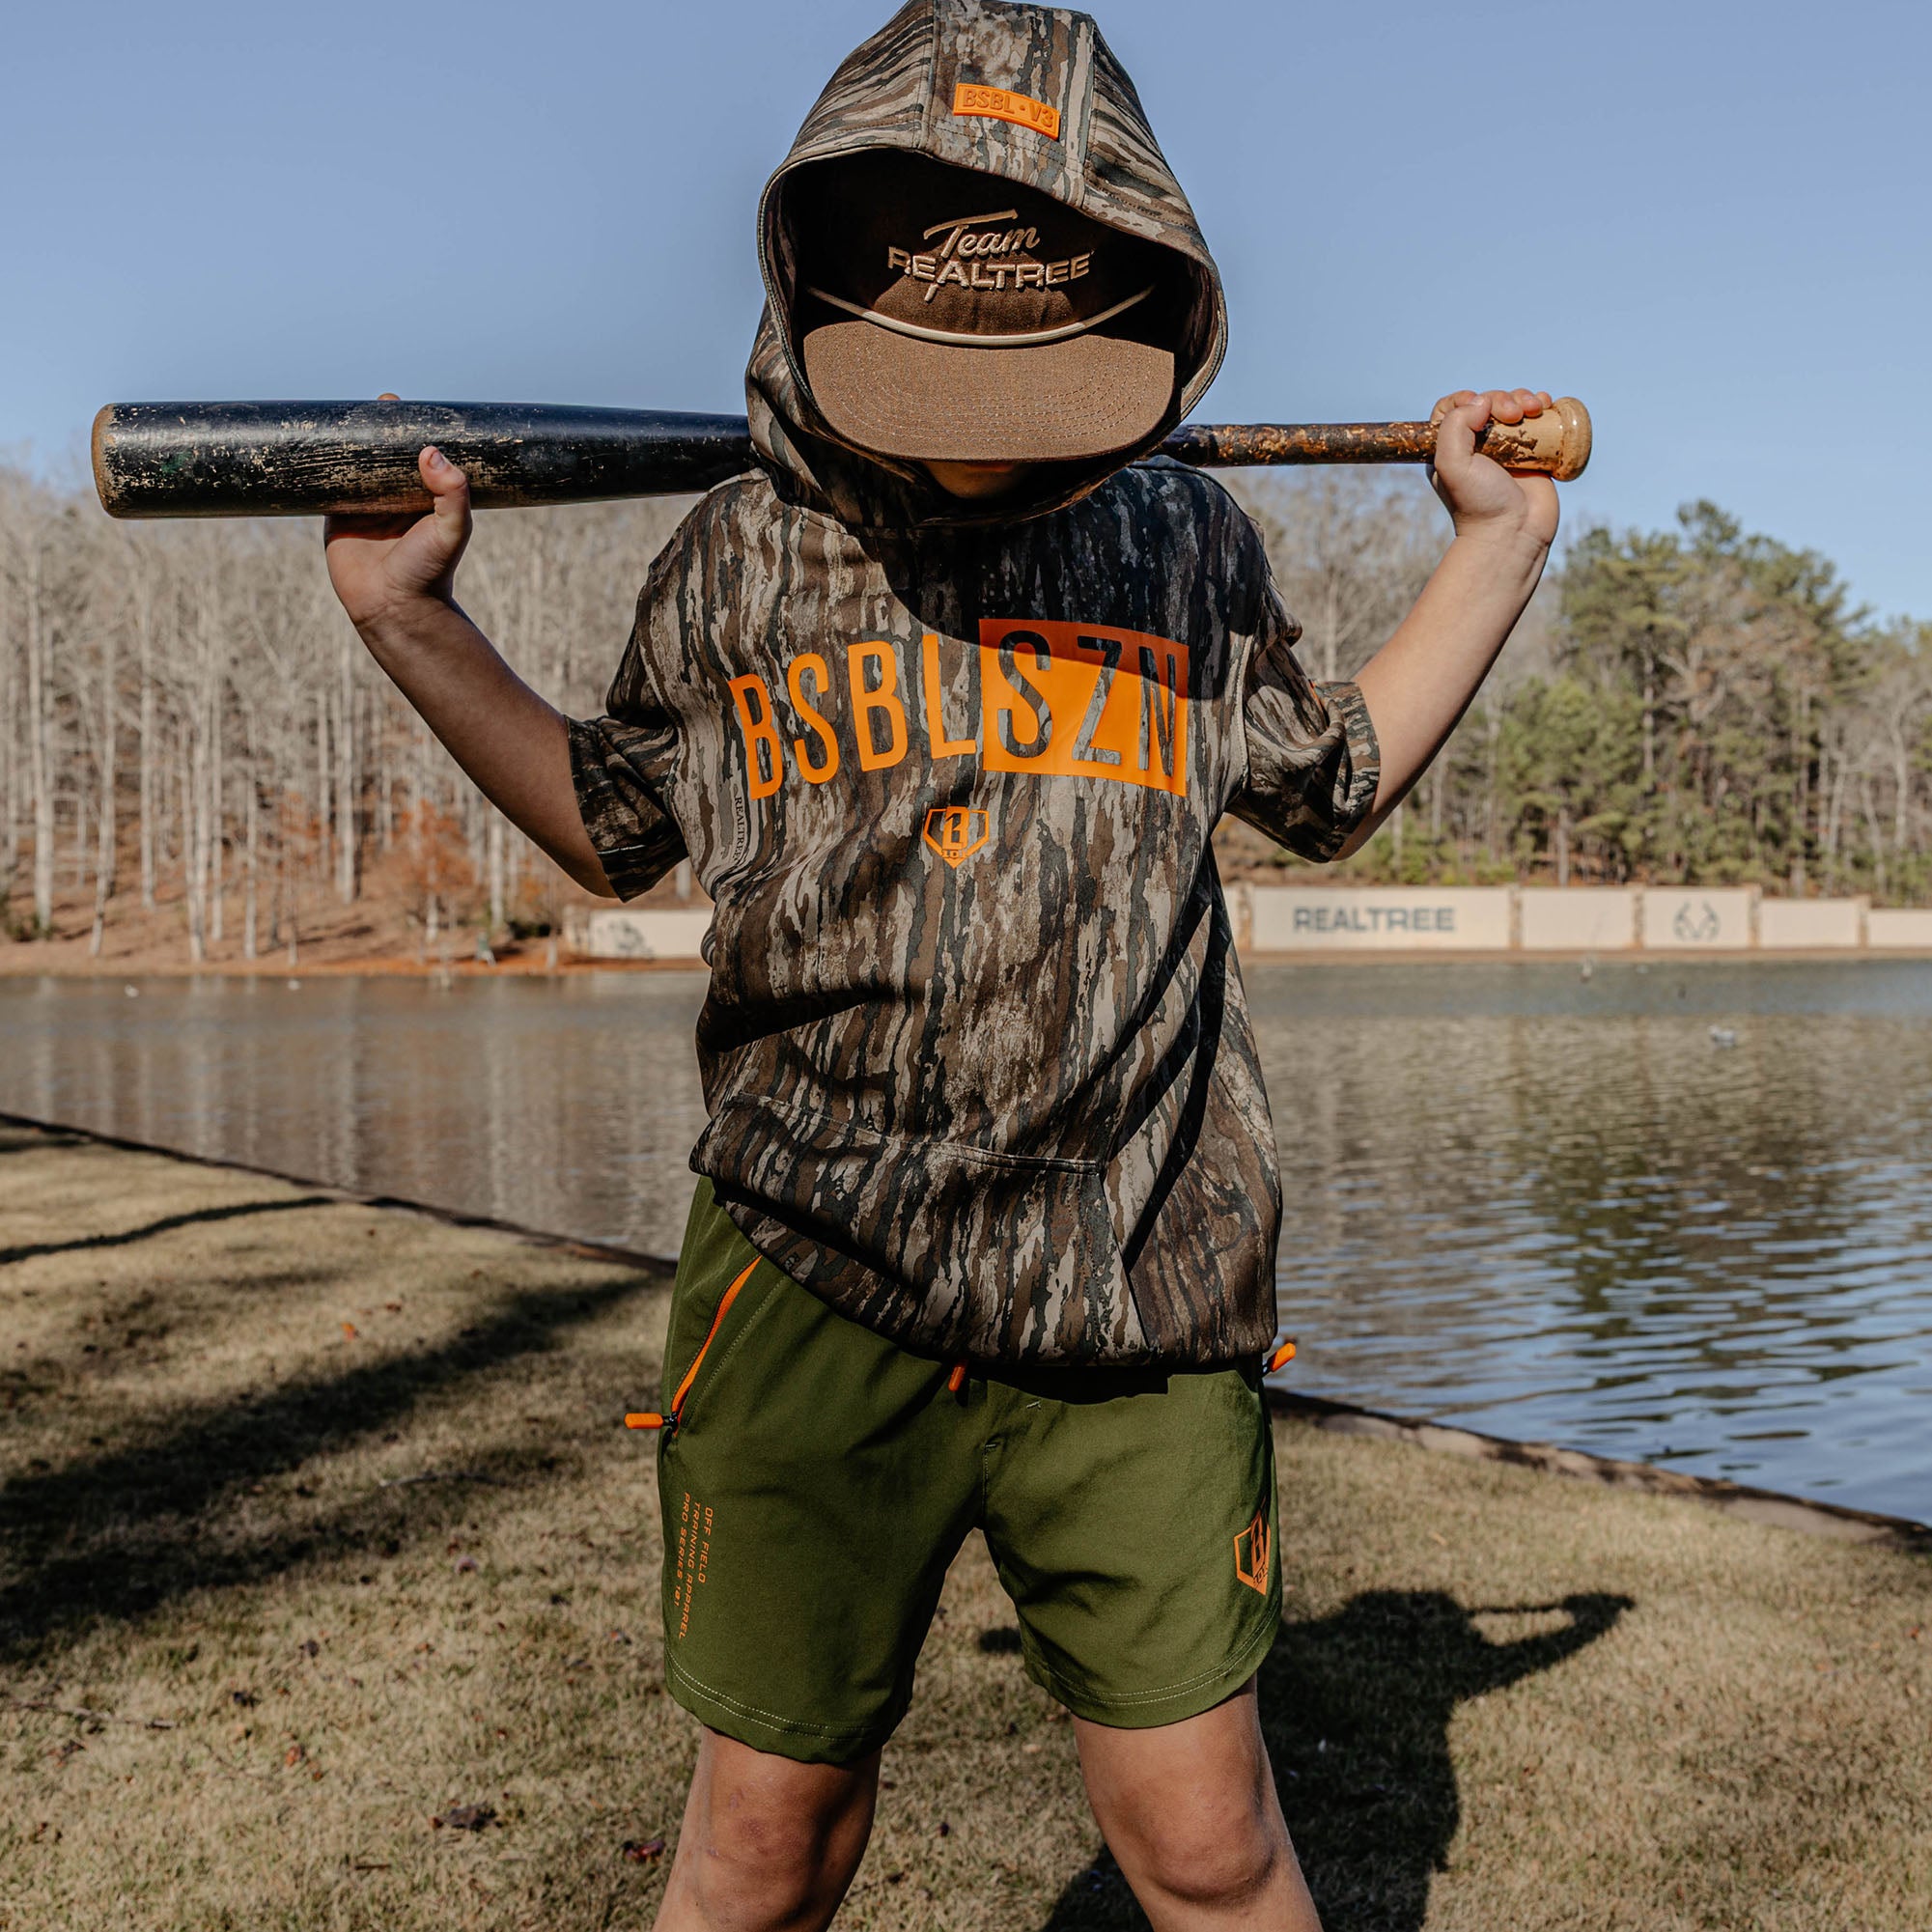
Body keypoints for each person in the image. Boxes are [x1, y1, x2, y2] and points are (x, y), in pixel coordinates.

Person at [322, 5, 1561, 1925]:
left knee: (1211, 1841)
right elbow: (615, 825)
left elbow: (1322, 785)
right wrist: (414, 620)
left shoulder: (1180, 543)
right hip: (815, 1274)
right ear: (816, 290)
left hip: (1146, 1280)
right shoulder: (736, 558)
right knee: (766, 1838)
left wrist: (1492, 551)